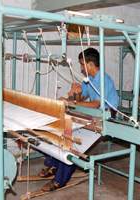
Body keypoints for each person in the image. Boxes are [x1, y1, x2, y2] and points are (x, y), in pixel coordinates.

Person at [39, 47, 118, 192]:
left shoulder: (104, 79)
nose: (81, 68)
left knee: (74, 143)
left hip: (106, 115)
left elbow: (95, 104)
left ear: (90, 64)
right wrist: (77, 93)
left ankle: (60, 180)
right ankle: (54, 164)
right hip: (92, 113)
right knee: (62, 130)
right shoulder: (89, 80)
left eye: (82, 64)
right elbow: (80, 99)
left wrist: (70, 102)